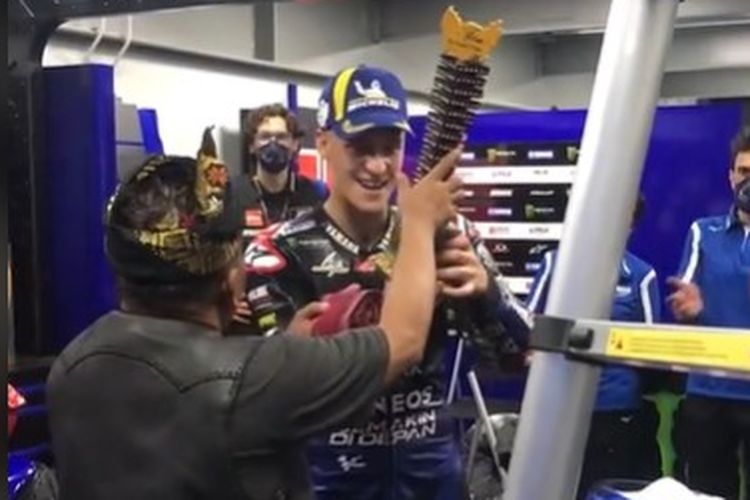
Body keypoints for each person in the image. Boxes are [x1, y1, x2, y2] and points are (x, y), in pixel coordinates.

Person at [46, 136, 465, 500]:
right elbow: (403, 340)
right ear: (233, 281)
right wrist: (417, 223)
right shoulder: (256, 380)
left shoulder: (71, 366)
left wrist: (286, 352)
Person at [234, 65, 530, 500]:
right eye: (360, 148)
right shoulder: (276, 251)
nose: (377, 166)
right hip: (326, 485)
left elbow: (522, 357)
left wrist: (487, 293)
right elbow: (280, 391)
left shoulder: (450, 233)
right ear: (323, 143)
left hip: (433, 481)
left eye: (390, 148)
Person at [526, 196, 662, 498]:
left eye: (624, 215)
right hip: (558, 404)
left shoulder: (641, 275)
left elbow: (651, 349)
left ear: (632, 224)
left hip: (616, 409)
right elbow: (527, 325)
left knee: (605, 490)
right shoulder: (554, 263)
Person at [668, 128, 750, 499]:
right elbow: (683, 295)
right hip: (708, 391)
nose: (748, 181)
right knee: (708, 490)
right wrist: (688, 308)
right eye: (744, 171)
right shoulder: (703, 231)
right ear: (731, 176)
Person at [235, 103, 328, 244]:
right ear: (251, 146)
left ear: (295, 144)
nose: (273, 143)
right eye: (265, 136)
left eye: (281, 137)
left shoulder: (316, 195)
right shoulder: (233, 195)